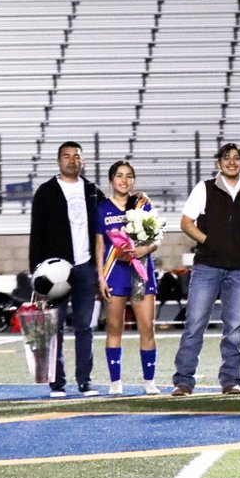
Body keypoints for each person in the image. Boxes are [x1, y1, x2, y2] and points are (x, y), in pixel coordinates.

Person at [172, 142, 240, 396]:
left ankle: (230, 380)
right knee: (194, 325)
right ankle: (183, 381)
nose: (232, 162)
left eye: (237, 158)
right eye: (226, 157)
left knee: (234, 327)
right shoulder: (205, 188)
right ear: (218, 163)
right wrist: (208, 241)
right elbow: (186, 222)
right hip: (206, 267)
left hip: (238, 270)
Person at [29, 141, 107, 397]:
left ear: (83, 161)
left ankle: (85, 381)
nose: (72, 160)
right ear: (58, 161)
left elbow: (112, 215)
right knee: (54, 329)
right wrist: (36, 274)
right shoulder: (46, 191)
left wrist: (137, 201)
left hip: (85, 269)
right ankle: (57, 383)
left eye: (76, 156)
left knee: (85, 327)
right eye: (66, 156)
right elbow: (36, 234)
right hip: (55, 273)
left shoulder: (93, 191)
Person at [95, 160, 160, 396]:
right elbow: (99, 245)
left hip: (141, 271)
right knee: (114, 327)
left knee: (147, 328)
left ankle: (149, 381)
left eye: (129, 176)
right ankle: (115, 382)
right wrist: (101, 277)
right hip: (114, 272)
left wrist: (145, 249)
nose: (124, 180)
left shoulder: (142, 204)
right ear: (111, 179)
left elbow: (157, 238)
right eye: (119, 175)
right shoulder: (102, 208)